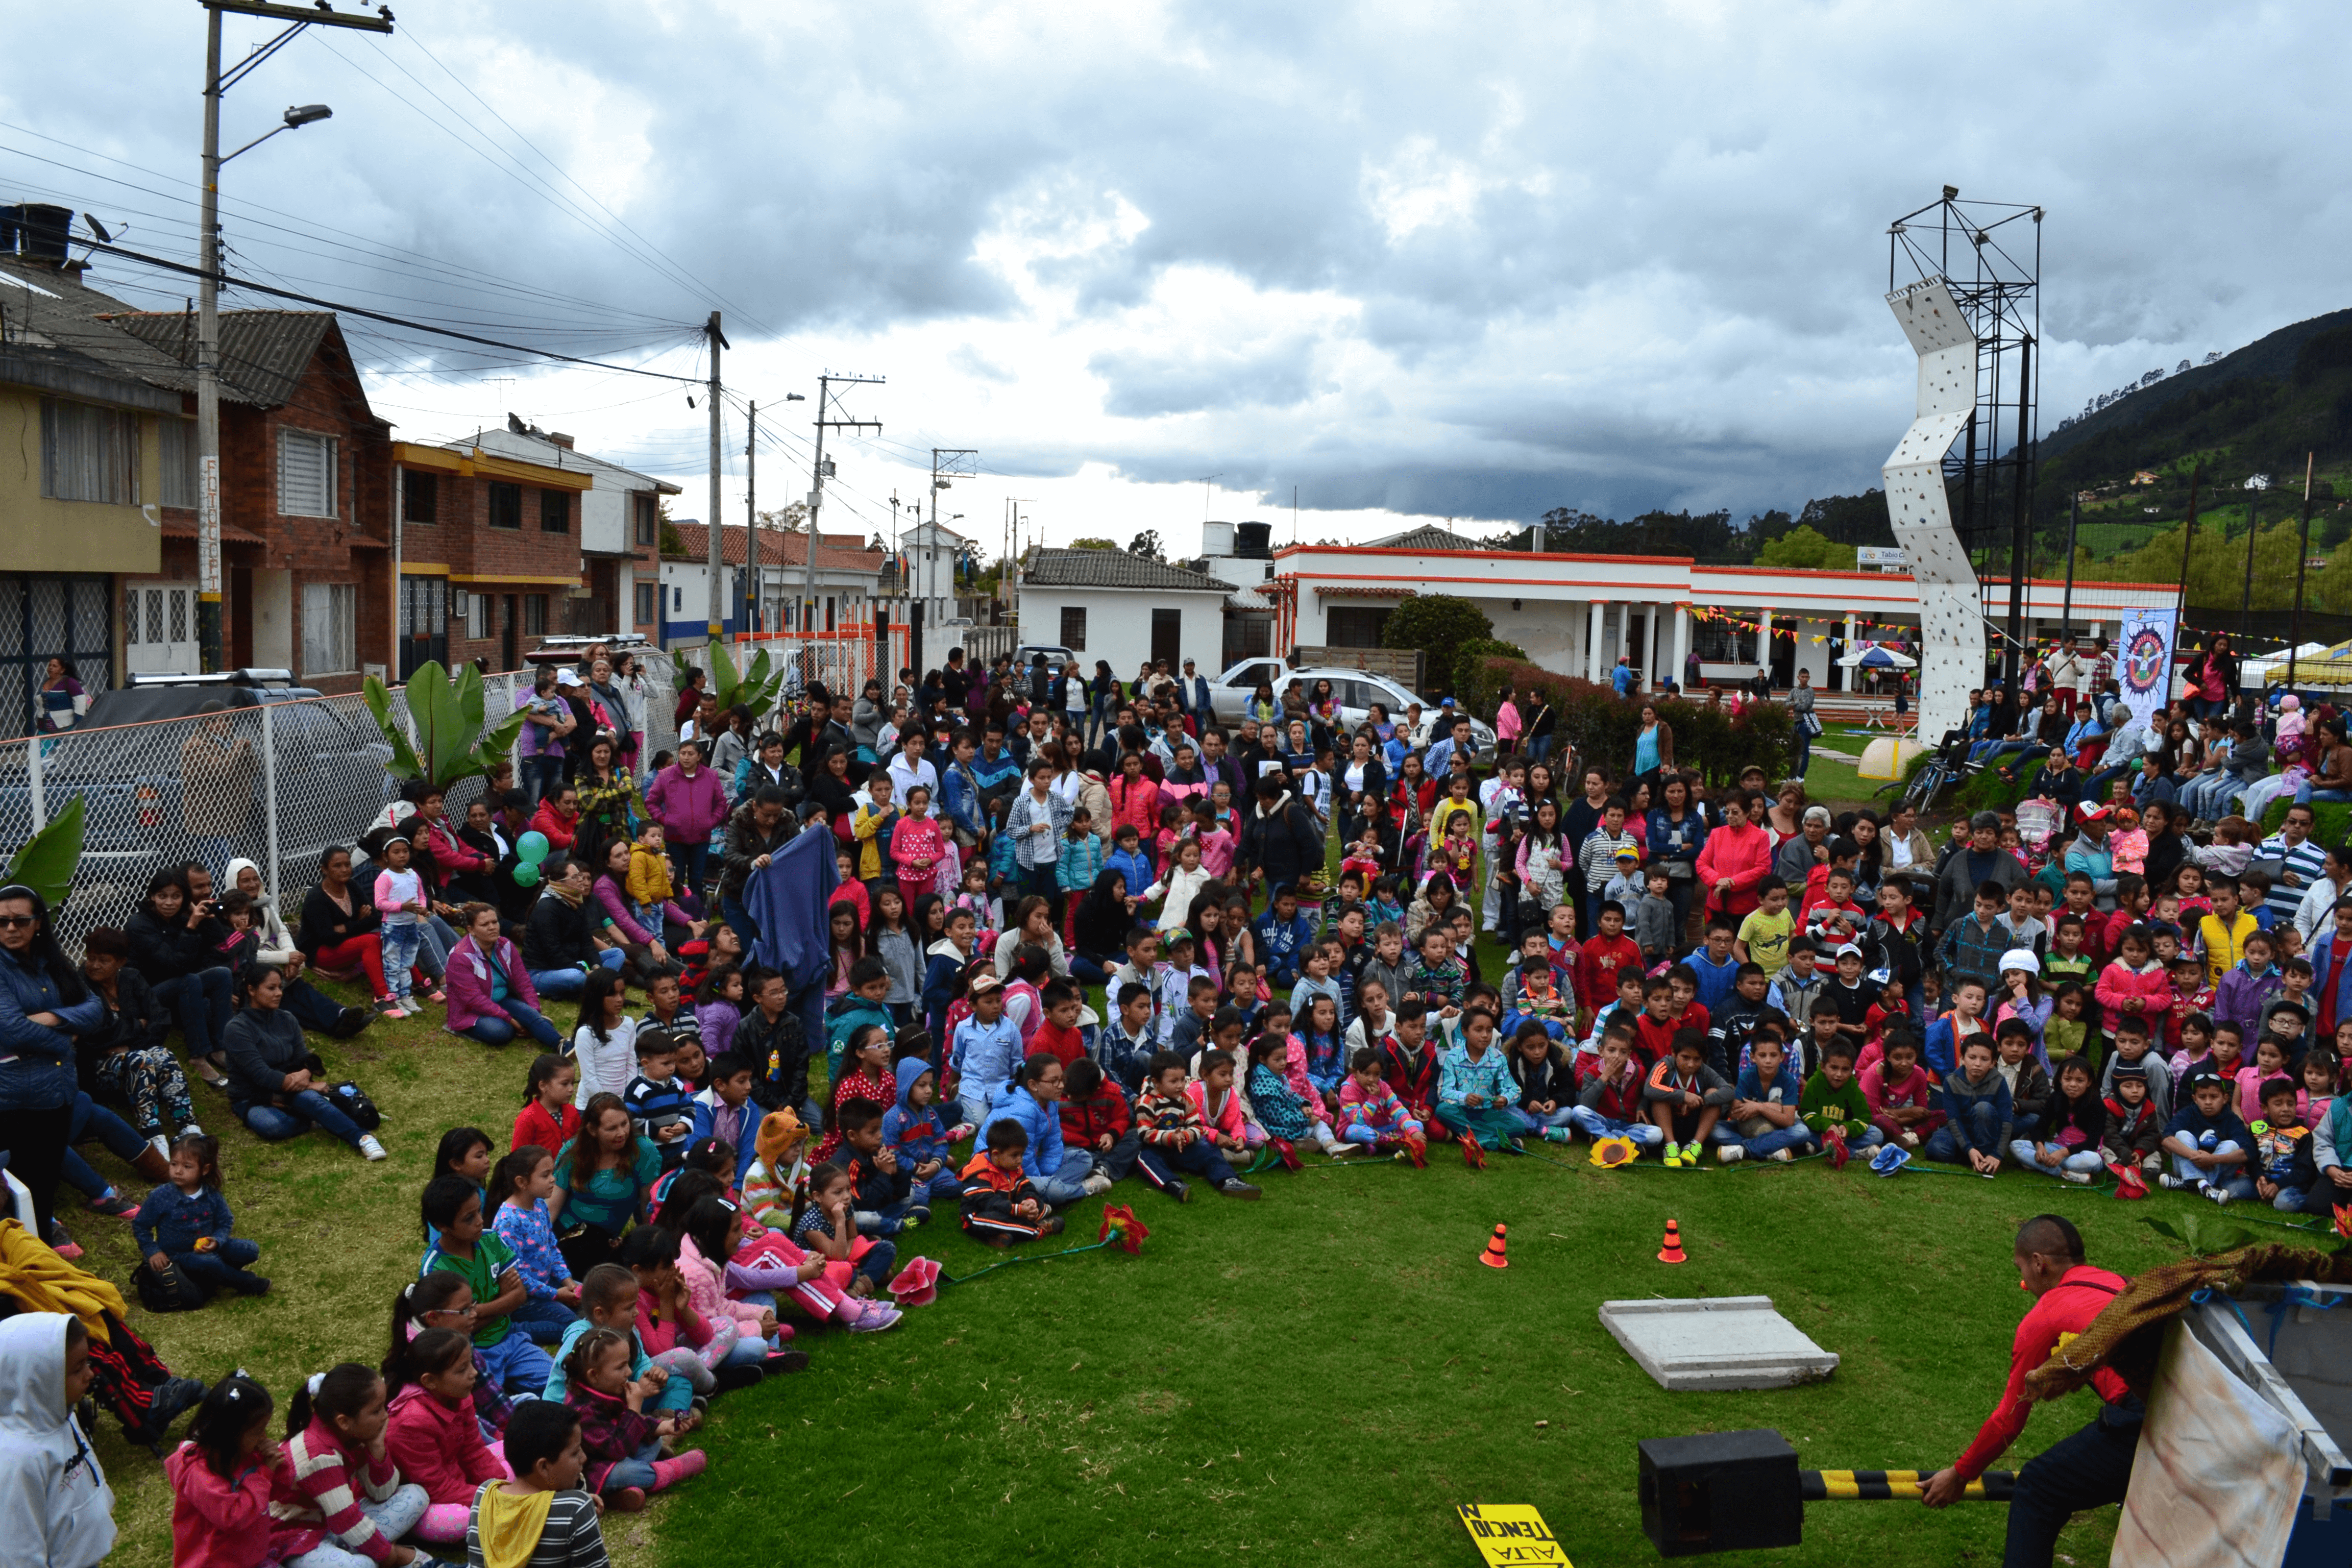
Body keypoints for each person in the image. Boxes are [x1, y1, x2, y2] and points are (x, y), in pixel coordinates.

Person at [1920, 1216, 2139, 1568]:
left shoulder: (2047, 1315)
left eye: (2021, 1268)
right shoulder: (2114, 1281)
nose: (2023, 1281)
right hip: (2186, 1398)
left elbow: (2009, 1418)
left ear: (2039, 1263)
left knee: (2038, 1486)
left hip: (2143, 1416)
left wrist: (1961, 1474)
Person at [461, 1400, 610, 1568]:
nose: (584, 1458)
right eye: (575, 1452)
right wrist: (579, 1515)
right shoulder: (576, 1508)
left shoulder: (485, 1494)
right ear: (544, 1467)